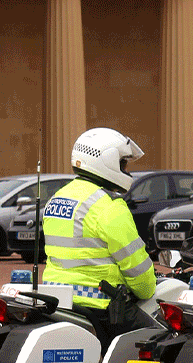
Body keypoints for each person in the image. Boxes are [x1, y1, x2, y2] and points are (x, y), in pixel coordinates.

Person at [42, 127, 157, 346]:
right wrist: (147, 287)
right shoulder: (108, 206)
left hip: (60, 302)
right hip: (100, 307)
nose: (125, 170)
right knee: (161, 337)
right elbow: (138, 272)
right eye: (123, 163)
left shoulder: (57, 199)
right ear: (107, 161)